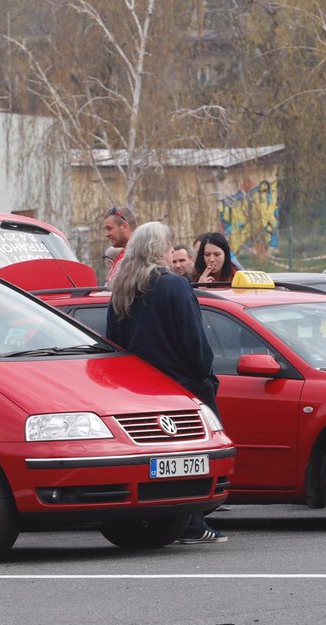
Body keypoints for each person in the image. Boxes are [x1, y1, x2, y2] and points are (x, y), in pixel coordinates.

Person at [106, 221, 227, 544]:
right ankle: (192, 523)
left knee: (154, 459)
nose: (173, 251)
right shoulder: (173, 286)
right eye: (169, 245)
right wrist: (205, 375)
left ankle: (164, 520)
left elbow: (113, 342)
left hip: (136, 389)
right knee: (193, 455)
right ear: (160, 250)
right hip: (181, 387)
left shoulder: (121, 289)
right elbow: (193, 340)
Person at [101, 206, 137, 282]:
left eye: (109, 228)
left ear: (124, 226)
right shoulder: (125, 255)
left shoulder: (141, 256)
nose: (106, 234)